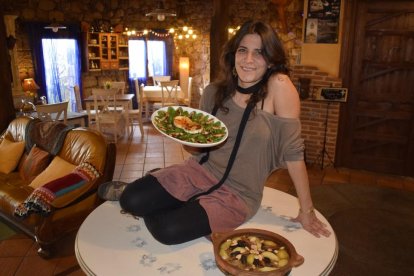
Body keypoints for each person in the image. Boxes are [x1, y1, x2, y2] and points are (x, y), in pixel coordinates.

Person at [99, 20, 331, 245]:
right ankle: (156, 187)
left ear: (271, 61)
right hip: (196, 171)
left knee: (166, 230)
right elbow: (198, 149)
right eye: (243, 50)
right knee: (131, 200)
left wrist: (307, 210)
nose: (249, 59)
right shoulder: (213, 92)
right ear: (234, 55)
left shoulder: (279, 86)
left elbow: (294, 154)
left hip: (238, 194)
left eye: (259, 52)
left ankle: (166, 194)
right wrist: (183, 139)